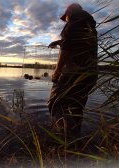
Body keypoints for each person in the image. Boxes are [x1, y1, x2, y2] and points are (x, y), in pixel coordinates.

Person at [47, 3, 98, 137]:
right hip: (90, 74)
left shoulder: (74, 20)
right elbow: (74, 42)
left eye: (66, 17)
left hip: (74, 72)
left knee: (55, 104)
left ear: (69, 12)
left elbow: (67, 48)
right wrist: (59, 42)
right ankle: (76, 140)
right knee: (76, 107)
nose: (66, 20)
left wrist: (57, 71)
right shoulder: (89, 25)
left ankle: (66, 138)